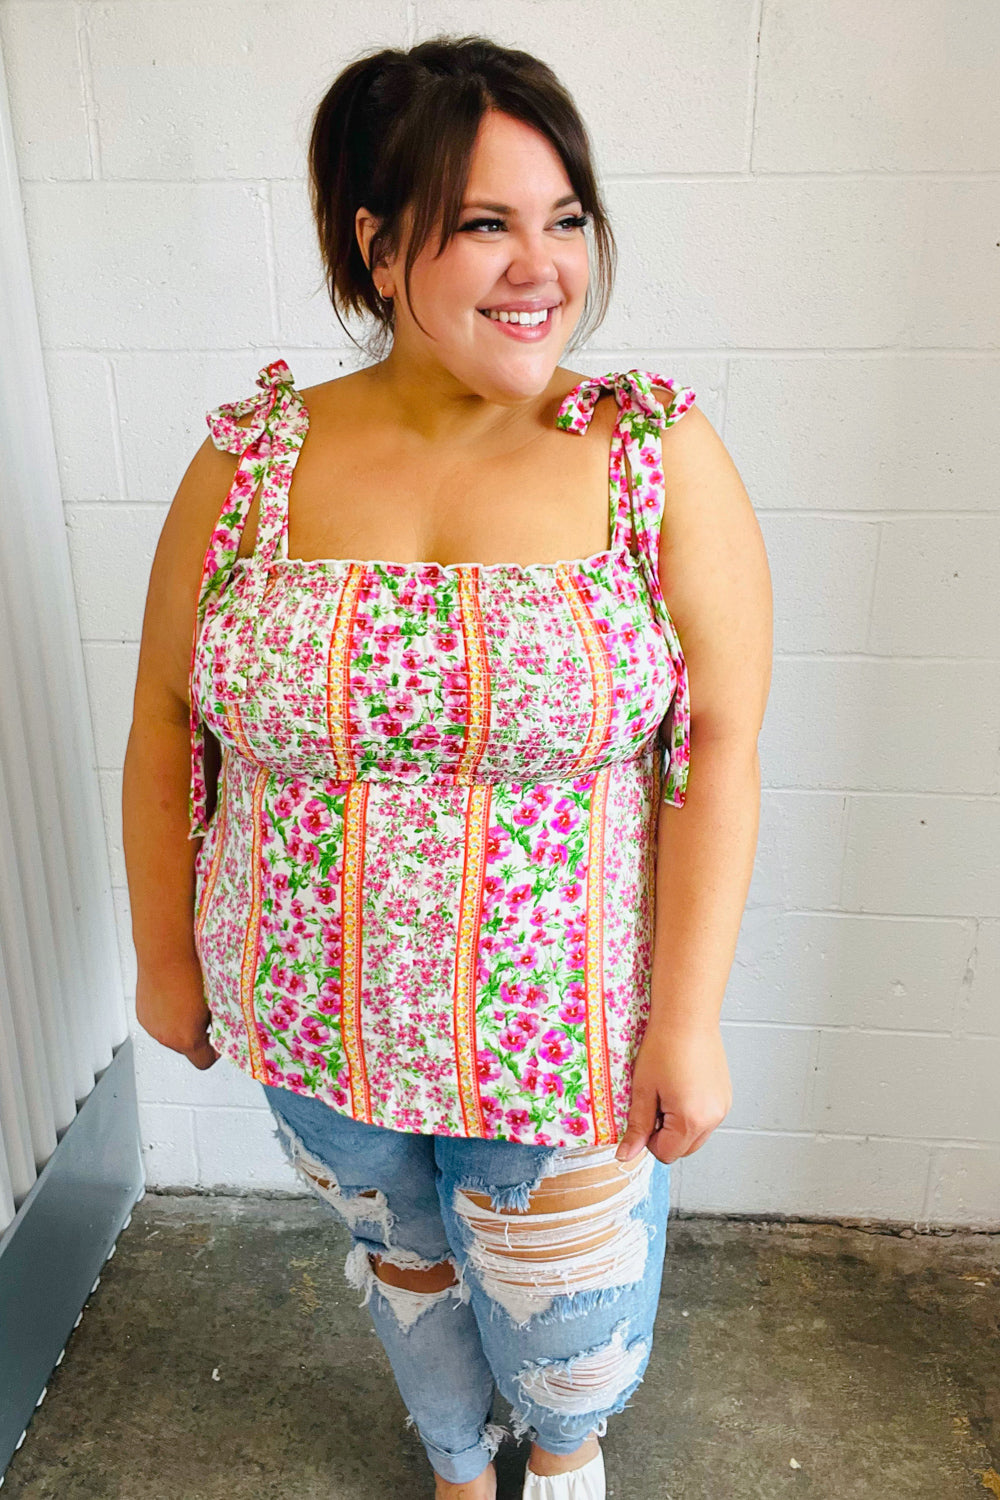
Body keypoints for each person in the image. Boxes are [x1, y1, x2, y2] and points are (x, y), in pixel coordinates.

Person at [122, 33, 771, 1500]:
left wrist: (692, 1022)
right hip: (314, 1014)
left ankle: (558, 1455)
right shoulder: (251, 466)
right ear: (378, 241)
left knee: (570, 1318)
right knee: (401, 1262)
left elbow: (718, 747)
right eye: (487, 222)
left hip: (564, 1034)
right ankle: (452, 1463)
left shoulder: (651, 458)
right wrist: (170, 959)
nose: (541, 264)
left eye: (565, 218)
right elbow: (168, 720)